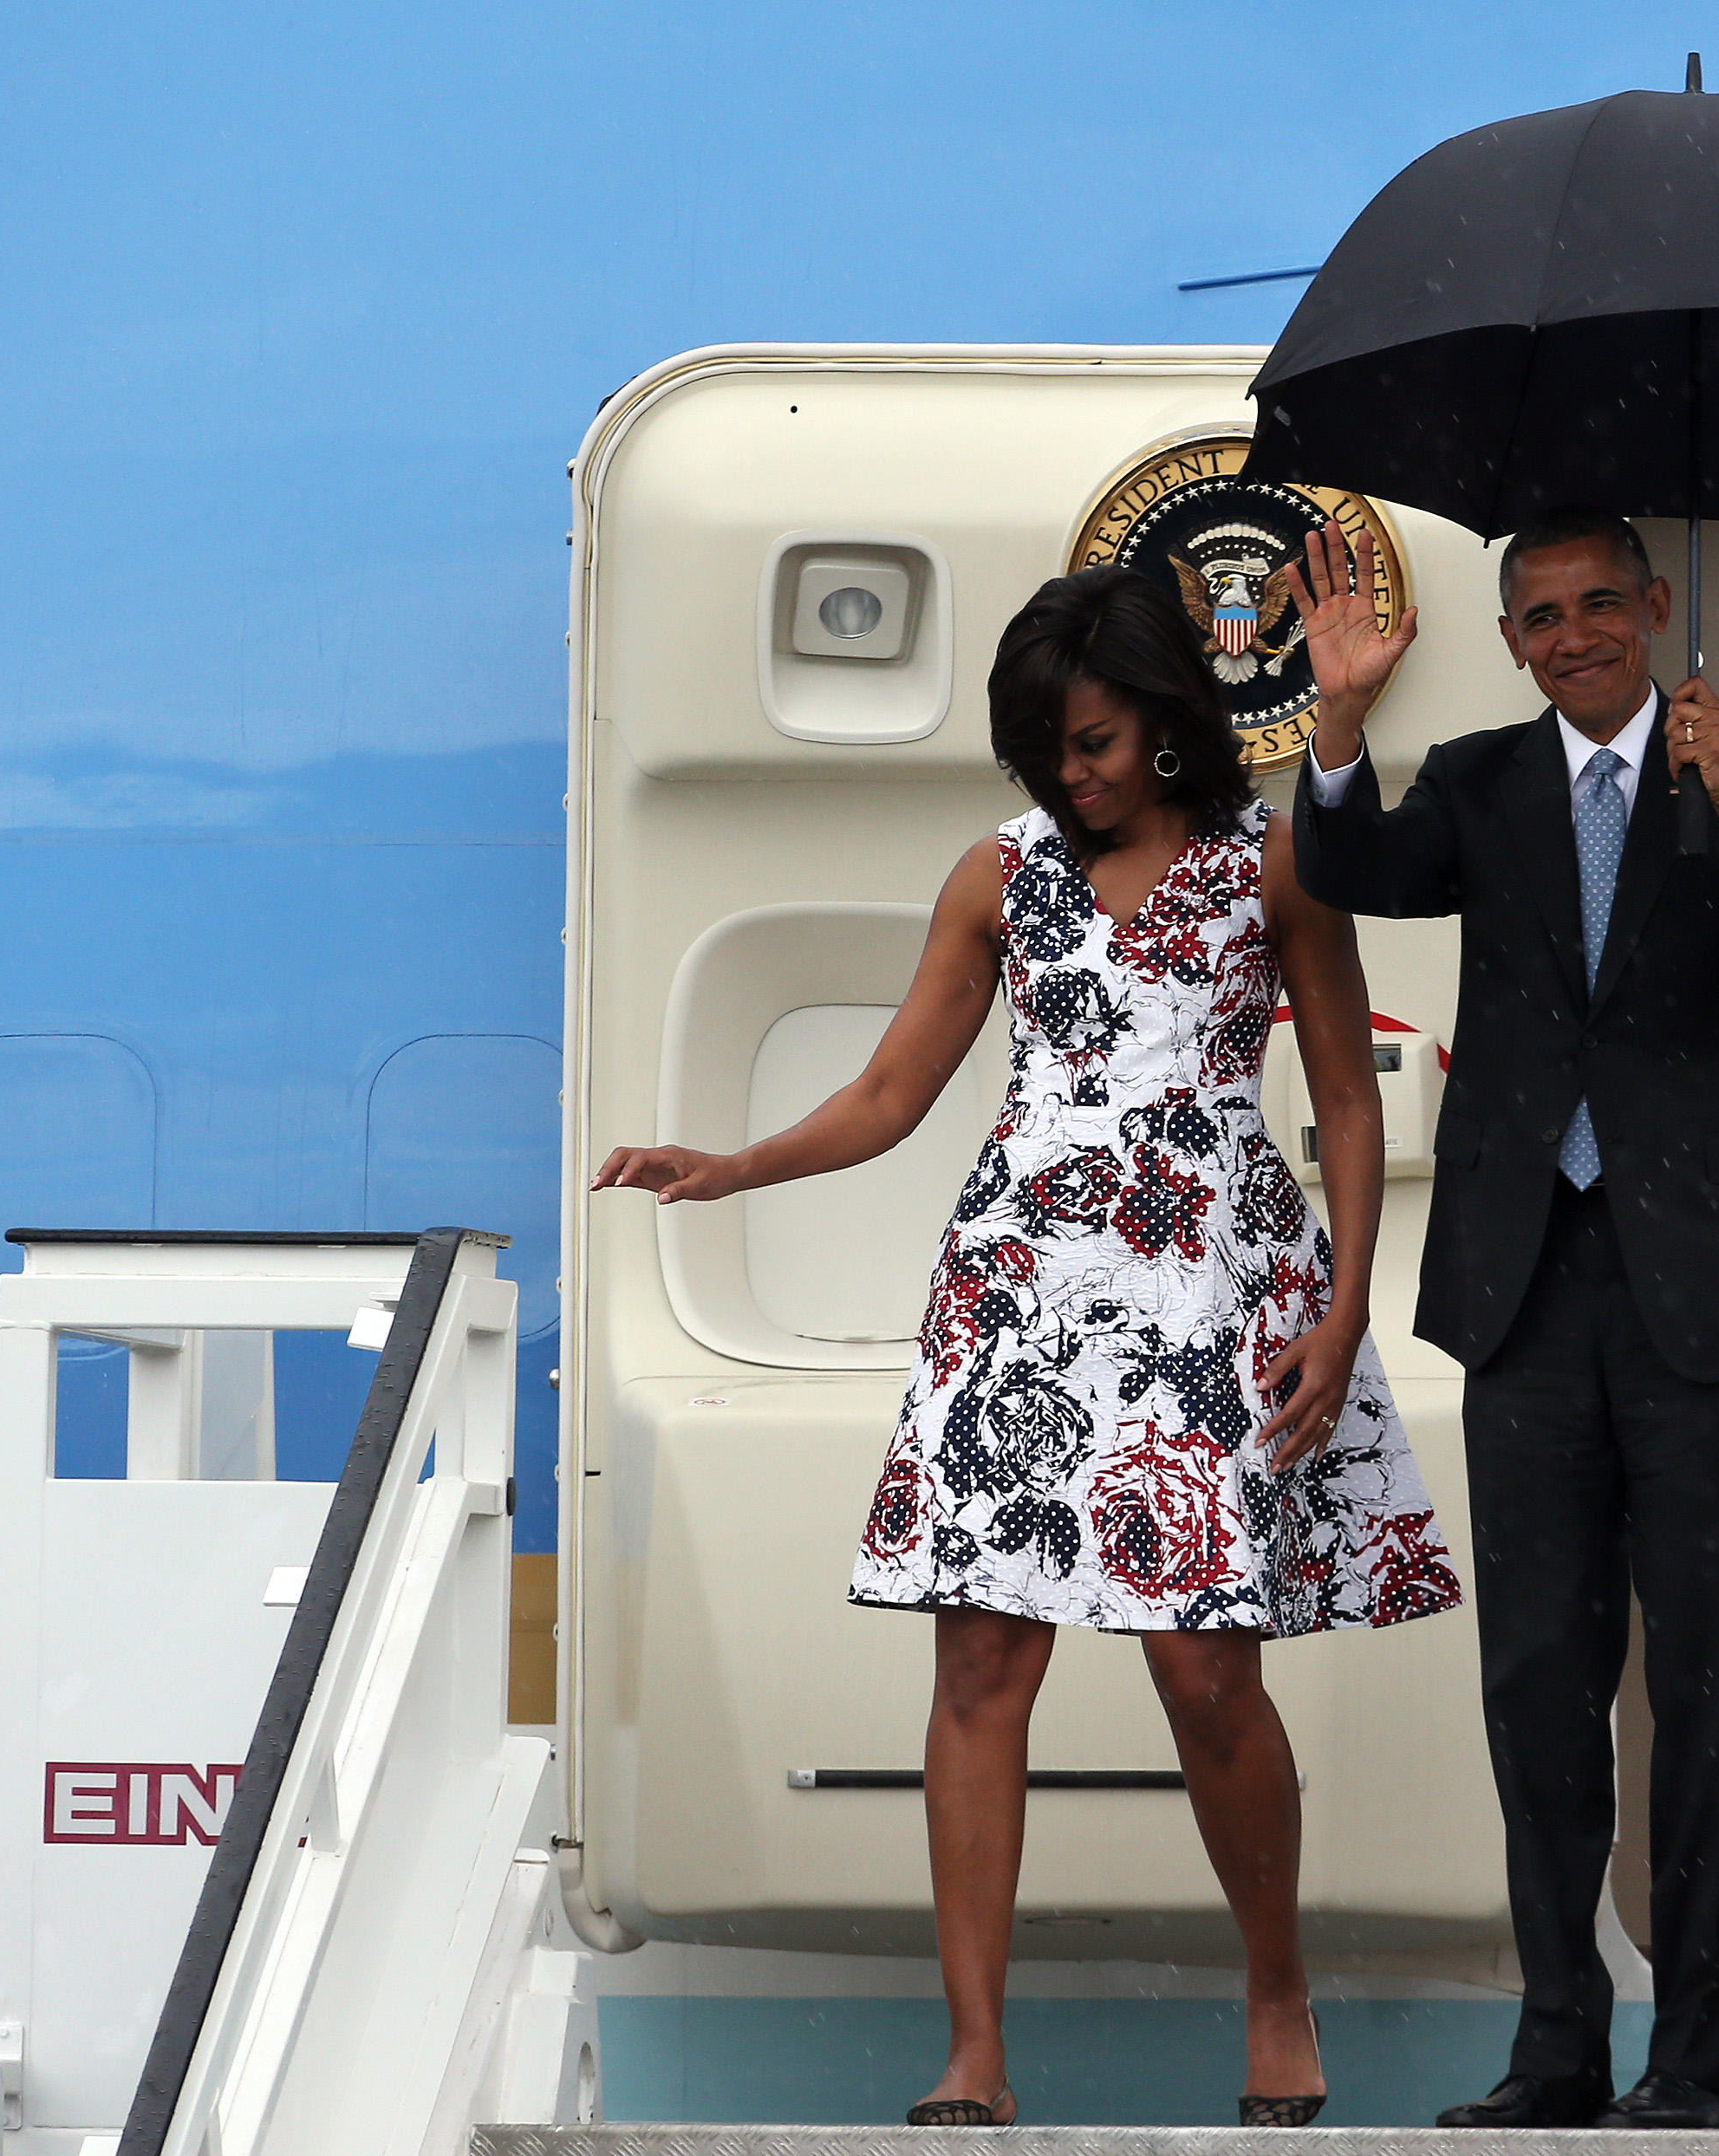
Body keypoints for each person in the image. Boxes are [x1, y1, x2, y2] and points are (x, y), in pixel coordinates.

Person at [591, 565, 1462, 2128]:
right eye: (1051, 747)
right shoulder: (998, 878)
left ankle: (1277, 1992)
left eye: (1102, 741)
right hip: (1021, 1297)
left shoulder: (1274, 872)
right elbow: (888, 1095)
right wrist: (726, 1166)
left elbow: (1343, 1098)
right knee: (984, 1664)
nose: (1075, 773)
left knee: (1207, 1678)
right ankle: (974, 2058)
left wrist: (1342, 1312)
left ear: (1173, 725)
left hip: (1212, 1289)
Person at [1285, 509, 1719, 2129]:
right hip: (1527, 1289)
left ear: (1656, 605)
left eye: (1599, 604)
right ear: (1513, 641)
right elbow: (1346, 867)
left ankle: (1696, 2067)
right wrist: (1337, 715)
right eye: (1539, 617)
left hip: (1713, 1304)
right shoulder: (1479, 782)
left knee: (1713, 1690)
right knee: (1540, 1682)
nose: (1572, 636)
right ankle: (1556, 2048)